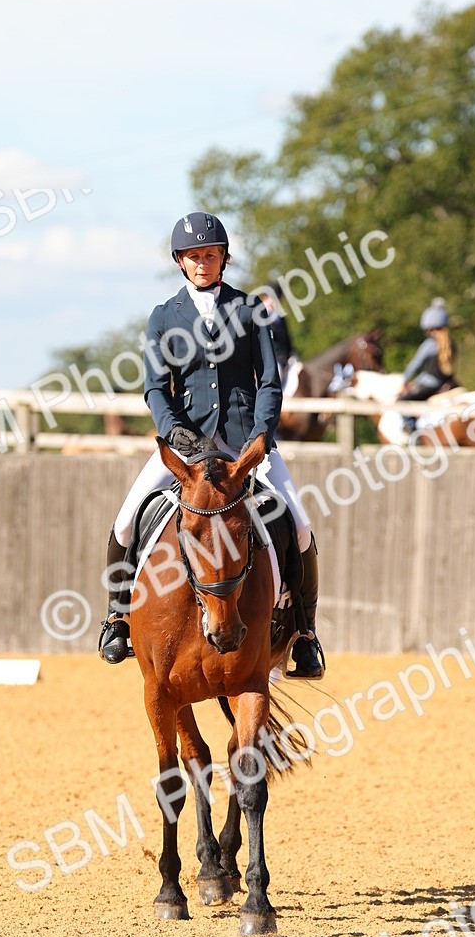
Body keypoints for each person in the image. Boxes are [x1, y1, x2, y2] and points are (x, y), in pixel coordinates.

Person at [98, 210, 325, 679]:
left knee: (299, 526)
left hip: (247, 447)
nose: (204, 262)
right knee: (125, 521)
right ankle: (117, 619)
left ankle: (305, 634)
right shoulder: (164, 317)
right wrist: (177, 435)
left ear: (224, 258)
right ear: (181, 262)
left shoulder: (250, 310)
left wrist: (263, 433)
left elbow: (270, 381)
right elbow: (156, 390)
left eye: (211, 254)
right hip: (185, 447)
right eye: (194, 256)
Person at [399, 300, 458, 403]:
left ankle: (410, 420)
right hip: (448, 381)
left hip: (431, 384)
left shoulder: (429, 345)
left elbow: (415, 364)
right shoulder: (452, 344)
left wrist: (405, 380)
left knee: (401, 402)